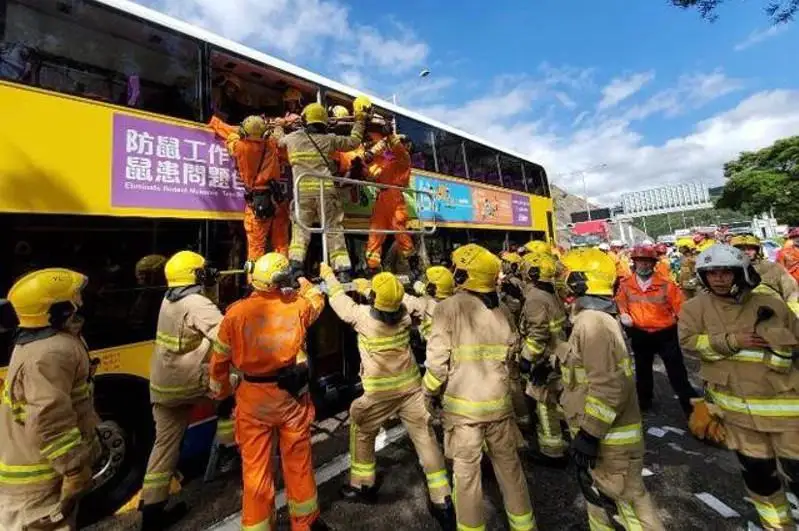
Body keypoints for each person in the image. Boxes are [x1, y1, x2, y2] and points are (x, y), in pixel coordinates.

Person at [319, 265, 454, 528]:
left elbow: (338, 299)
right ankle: (443, 499)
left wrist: (328, 274)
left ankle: (363, 484)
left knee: (362, 429)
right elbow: (407, 301)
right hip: (412, 389)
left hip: (379, 395)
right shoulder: (405, 316)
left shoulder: (362, 317)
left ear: (374, 300)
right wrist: (371, 290)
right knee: (426, 439)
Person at [679, 244, 799, 530]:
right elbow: (689, 343)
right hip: (738, 415)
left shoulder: (771, 304)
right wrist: (732, 341)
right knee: (761, 482)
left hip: (786, 412)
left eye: (725, 272)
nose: (718, 279)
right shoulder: (694, 309)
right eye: (712, 274)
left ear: (741, 273)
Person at [208, 253, 329, 531]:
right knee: (298, 462)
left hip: (252, 400)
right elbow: (317, 300)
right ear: (281, 279)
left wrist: (222, 394)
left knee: (255, 470)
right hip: (290, 398)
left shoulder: (235, 314)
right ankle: (305, 523)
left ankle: (258, 525)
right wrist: (302, 280)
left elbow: (219, 363)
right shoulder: (297, 306)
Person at [424, 244, 537, 531]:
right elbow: (512, 357)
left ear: (463, 274)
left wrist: (429, 393)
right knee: (511, 470)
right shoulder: (502, 311)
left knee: (466, 478)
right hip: (500, 408)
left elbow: (437, 364)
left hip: (464, 415)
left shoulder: (447, 308)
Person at [559, 248, 665, 531]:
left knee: (629, 507)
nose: (562, 279)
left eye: (567, 274)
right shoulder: (593, 318)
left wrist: (590, 434)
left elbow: (609, 386)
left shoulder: (593, 323)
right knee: (597, 500)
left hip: (609, 440)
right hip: (603, 435)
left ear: (581, 281)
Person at [0, 268, 102, 531]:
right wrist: (74, 468)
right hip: (41, 479)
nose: (80, 302)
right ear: (57, 310)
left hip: (40, 470)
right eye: (74, 299)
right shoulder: (50, 353)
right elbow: (49, 420)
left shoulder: (39, 342)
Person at [140, 251, 224, 530]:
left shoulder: (170, 298)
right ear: (194, 275)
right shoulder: (197, 304)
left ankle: (151, 511)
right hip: (188, 382)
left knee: (164, 445)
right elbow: (227, 336)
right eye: (203, 271)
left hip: (162, 385)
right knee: (244, 387)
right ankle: (234, 449)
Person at [280, 98, 369, 283]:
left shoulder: (292, 138)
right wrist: (360, 121)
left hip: (302, 192)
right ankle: (343, 271)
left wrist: (280, 126)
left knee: (300, 230)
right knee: (333, 229)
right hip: (326, 191)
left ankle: (295, 268)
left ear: (305, 120)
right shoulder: (329, 139)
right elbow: (354, 142)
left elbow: (277, 142)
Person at [615, 245, 698, 416]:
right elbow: (621, 301)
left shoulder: (667, 285)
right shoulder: (626, 285)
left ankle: (692, 409)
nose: (644, 265)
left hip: (665, 334)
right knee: (643, 371)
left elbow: (681, 309)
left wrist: (687, 329)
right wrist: (624, 314)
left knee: (677, 373)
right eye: (640, 261)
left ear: (653, 264)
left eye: (647, 262)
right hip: (640, 334)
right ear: (634, 263)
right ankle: (644, 403)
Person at [209, 115, 289, 267]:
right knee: (281, 243)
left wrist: (216, 123)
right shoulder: (271, 144)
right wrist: (278, 127)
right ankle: (283, 272)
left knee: (256, 248)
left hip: (258, 202)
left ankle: (257, 279)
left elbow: (230, 135)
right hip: (277, 198)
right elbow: (283, 148)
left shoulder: (239, 146)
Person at [517, 252, 569, 467]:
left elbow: (538, 333)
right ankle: (566, 432)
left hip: (544, 359)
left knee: (544, 404)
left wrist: (527, 358)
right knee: (557, 399)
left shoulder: (535, 299)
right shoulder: (551, 293)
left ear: (532, 273)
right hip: (556, 355)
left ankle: (552, 452)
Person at [363, 134, 417, 276]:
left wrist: (390, 136)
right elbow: (375, 171)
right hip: (382, 196)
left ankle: (412, 262)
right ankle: (373, 266)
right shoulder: (390, 157)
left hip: (394, 195)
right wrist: (366, 160)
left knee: (399, 227)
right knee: (376, 231)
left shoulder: (404, 157)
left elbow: (397, 149)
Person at [732, 234, 799, 313]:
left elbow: (791, 293)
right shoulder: (728, 270)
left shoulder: (773, 267)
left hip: (774, 311)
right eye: (742, 249)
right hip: (741, 313)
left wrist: (794, 314)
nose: (746, 252)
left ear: (757, 250)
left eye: (750, 249)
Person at [403, 266, 456, 342]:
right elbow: (425, 290)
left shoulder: (424, 305)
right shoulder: (451, 300)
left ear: (431, 288)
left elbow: (404, 299)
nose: (425, 281)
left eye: (427, 280)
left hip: (427, 342)